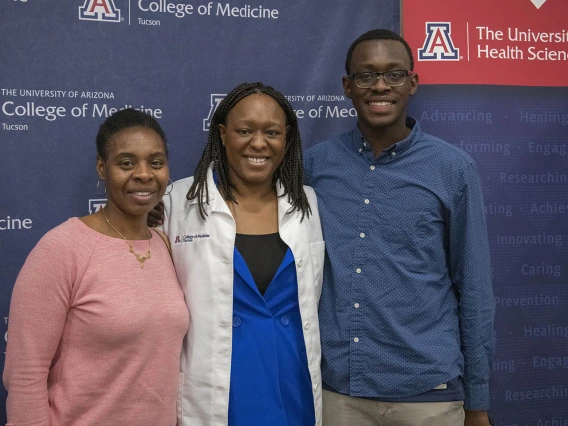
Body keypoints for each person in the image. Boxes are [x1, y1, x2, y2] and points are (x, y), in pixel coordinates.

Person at [303, 29, 494, 426]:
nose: (379, 86)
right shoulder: (315, 167)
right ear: (347, 87)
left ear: (412, 82)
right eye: (365, 75)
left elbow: (474, 288)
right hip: (340, 393)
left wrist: (478, 402)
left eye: (393, 74)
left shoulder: (453, 169)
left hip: (428, 394)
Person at [3, 109, 189, 425]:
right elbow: (25, 373)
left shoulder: (166, 245)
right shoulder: (63, 248)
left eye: (155, 163)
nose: (144, 174)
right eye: (127, 163)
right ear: (102, 168)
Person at [158, 82, 324, 426]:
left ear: (287, 138)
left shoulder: (306, 203)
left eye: (272, 132)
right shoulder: (177, 201)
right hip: (217, 390)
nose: (259, 143)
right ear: (222, 134)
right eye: (244, 130)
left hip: (293, 387)